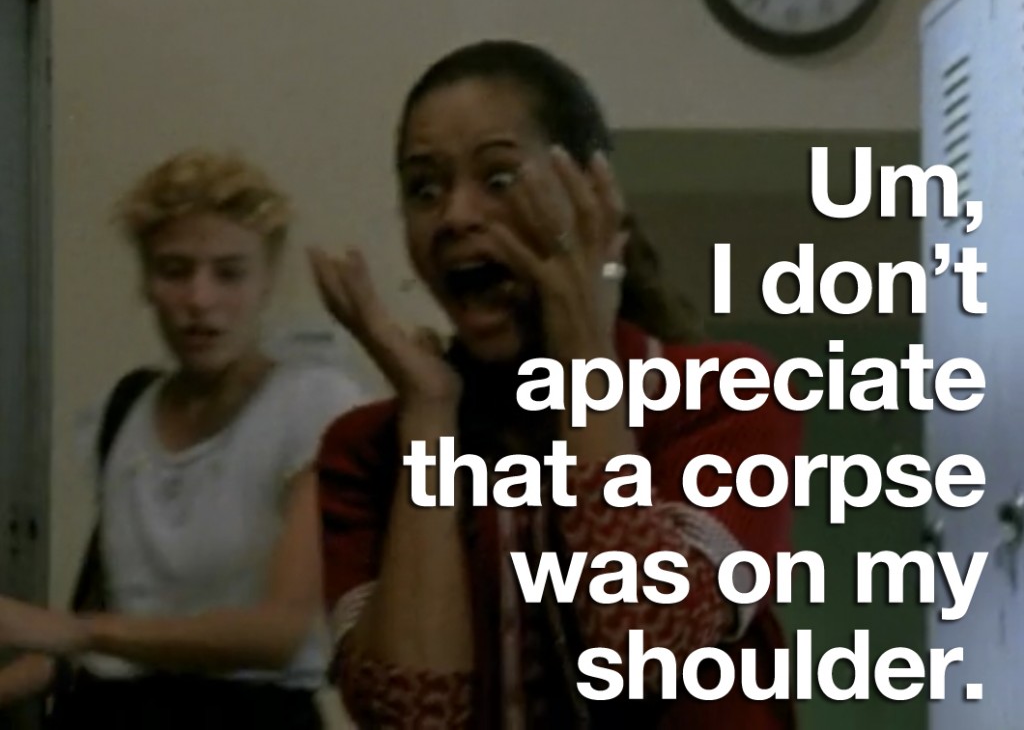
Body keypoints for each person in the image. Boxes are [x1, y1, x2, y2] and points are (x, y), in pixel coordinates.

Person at [311, 40, 803, 728]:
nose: (454, 216)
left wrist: (582, 349)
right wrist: (427, 419)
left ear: (592, 194)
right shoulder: (366, 450)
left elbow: (647, 645)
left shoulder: (723, 393)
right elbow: (417, 719)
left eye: (498, 178)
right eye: (424, 189)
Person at [0, 149, 364, 729]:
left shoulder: (312, 406)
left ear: (267, 278)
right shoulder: (124, 412)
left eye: (229, 273)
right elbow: (114, 635)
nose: (199, 300)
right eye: (174, 271)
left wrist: (78, 631)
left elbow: (279, 633)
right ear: (147, 280)